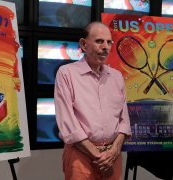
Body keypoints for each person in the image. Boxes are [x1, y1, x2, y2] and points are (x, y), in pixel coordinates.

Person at [54, 22, 132, 180]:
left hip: (113, 157)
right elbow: (68, 124)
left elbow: (124, 121)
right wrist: (99, 156)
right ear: (83, 44)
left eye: (109, 42)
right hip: (80, 156)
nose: (106, 47)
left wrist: (114, 151)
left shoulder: (117, 77)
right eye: (99, 41)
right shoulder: (67, 74)